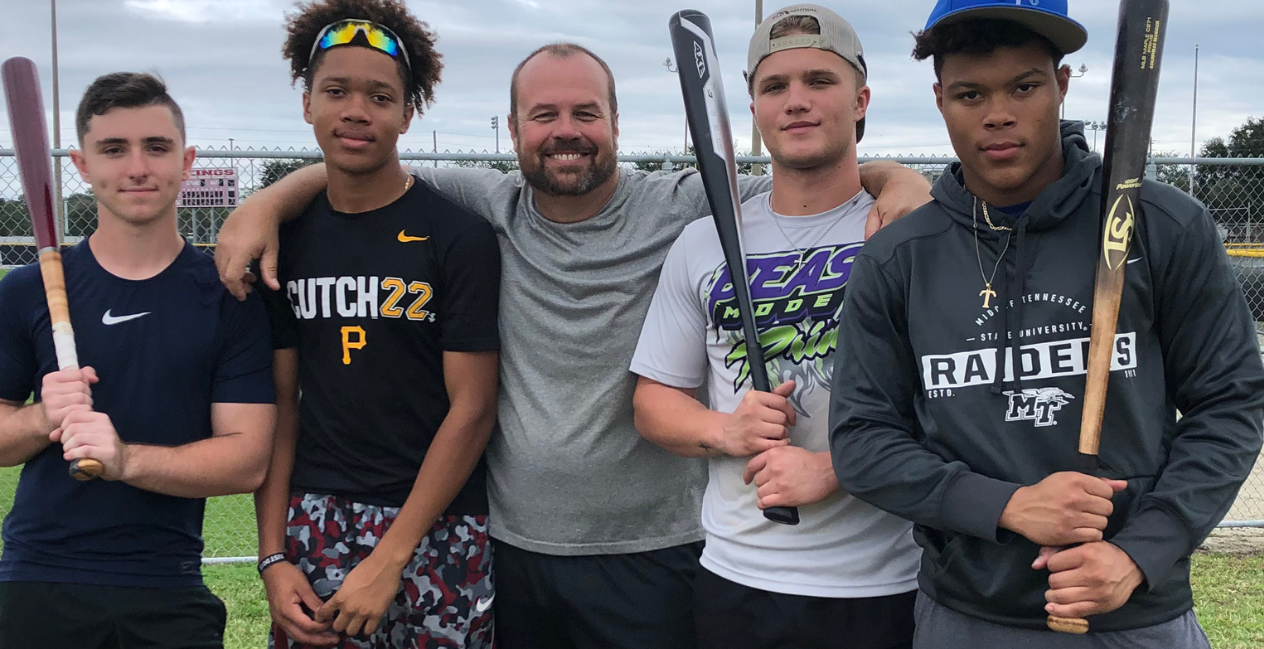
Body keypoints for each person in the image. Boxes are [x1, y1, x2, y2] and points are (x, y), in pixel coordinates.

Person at [216, 36, 933, 648]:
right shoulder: (484, 204)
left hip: (656, 551)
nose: (566, 130)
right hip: (515, 548)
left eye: (586, 112)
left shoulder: (686, 205)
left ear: (616, 122)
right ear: (512, 127)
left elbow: (807, 173)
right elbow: (361, 163)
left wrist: (898, 181)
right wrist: (264, 202)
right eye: (544, 115)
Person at [828, 0, 1264, 648]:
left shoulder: (1163, 226)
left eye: (1024, 86)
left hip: (1136, 611)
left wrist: (1140, 552)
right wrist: (1008, 505)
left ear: (1062, 85)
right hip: (970, 613)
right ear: (940, 99)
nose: (999, 114)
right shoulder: (898, 258)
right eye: (970, 94)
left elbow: (1231, 403)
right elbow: (862, 440)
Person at [631, 4, 920, 649]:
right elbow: (653, 403)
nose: (796, 101)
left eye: (820, 81)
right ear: (754, 111)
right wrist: (724, 430)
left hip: (885, 582)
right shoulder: (704, 243)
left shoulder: (910, 232)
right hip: (738, 580)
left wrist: (839, 467)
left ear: (861, 99)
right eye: (774, 87)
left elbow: (955, 403)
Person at [0, 72, 277, 649]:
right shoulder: (26, 291)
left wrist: (125, 460)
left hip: (167, 583)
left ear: (187, 161)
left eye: (157, 147)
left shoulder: (229, 296)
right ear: (81, 164)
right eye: (114, 149)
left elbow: (247, 460)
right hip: (43, 578)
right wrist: (40, 418)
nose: (137, 167)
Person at [250, 0, 501, 649]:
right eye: (336, 91)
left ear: (408, 114)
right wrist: (273, 556)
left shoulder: (457, 237)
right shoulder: (286, 238)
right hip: (318, 518)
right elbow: (282, 403)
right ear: (307, 102)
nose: (356, 112)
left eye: (380, 96)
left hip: (438, 522)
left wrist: (391, 558)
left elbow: (472, 408)